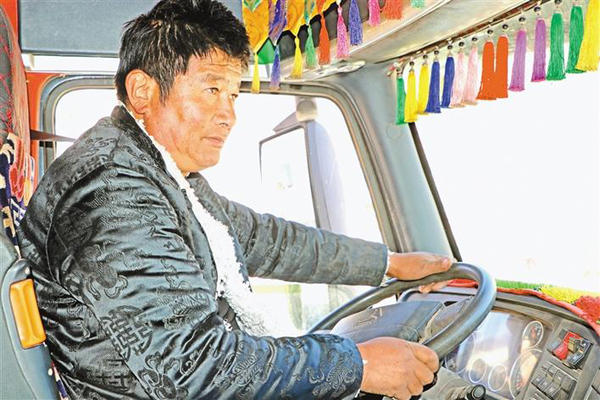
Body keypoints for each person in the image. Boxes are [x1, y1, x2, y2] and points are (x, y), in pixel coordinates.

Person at [17, 1, 453, 399]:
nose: (229, 115)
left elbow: (263, 239)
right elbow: (192, 367)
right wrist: (358, 365)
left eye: (233, 95)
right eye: (211, 90)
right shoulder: (109, 191)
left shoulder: (160, 172)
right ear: (143, 92)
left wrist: (390, 264)